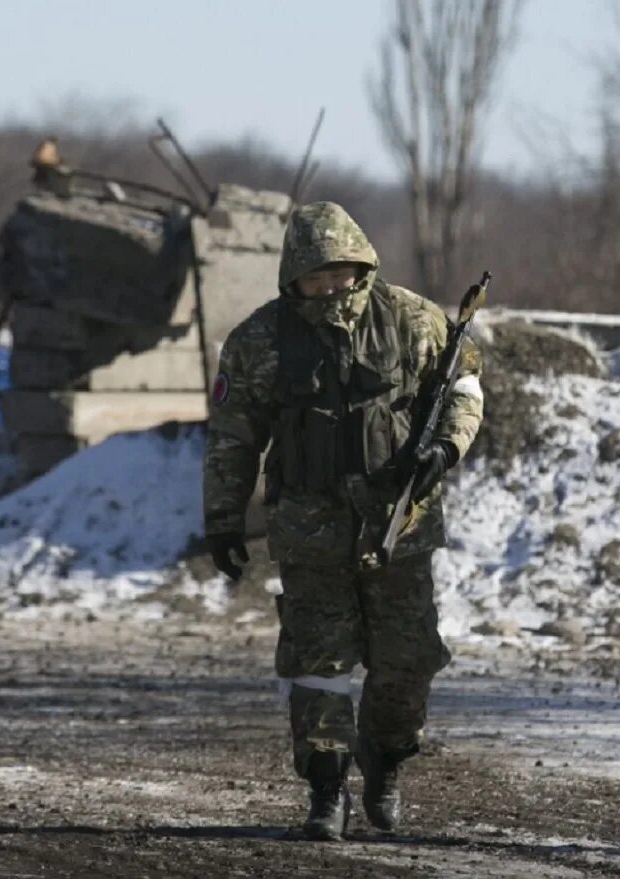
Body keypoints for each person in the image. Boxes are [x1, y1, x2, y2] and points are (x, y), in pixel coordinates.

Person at [201, 201, 484, 841]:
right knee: (317, 665)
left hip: (399, 530)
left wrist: (447, 448)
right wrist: (222, 519)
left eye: (341, 270)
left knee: (407, 661)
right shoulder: (258, 342)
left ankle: (384, 762)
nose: (330, 284)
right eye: (315, 274)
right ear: (292, 278)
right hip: (310, 534)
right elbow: (232, 438)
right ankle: (326, 792)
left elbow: (465, 391)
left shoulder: (414, 320)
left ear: (362, 264)